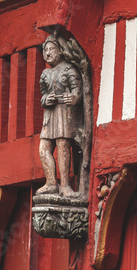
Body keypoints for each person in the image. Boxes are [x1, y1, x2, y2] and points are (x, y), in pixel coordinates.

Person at [36, 34, 82, 198]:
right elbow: (42, 95)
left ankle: (65, 185)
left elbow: (77, 90)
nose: (47, 53)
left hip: (64, 112)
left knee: (63, 146)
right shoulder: (45, 74)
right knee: (43, 149)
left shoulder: (68, 69)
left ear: (60, 51)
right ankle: (50, 183)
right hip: (50, 115)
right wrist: (46, 100)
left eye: (51, 49)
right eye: (45, 50)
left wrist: (74, 98)